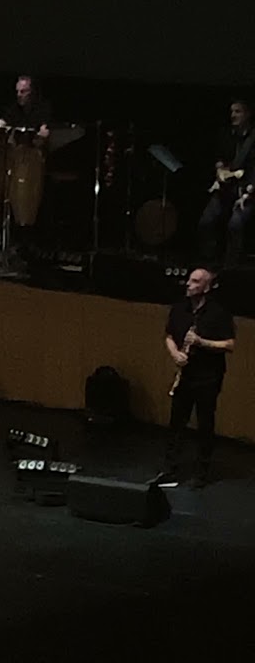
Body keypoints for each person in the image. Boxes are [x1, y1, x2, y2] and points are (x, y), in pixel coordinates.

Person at [155, 268, 236, 489]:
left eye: (195, 281)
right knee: (176, 422)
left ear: (206, 287)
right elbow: (170, 336)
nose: (188, 284)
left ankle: (202, 472)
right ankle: (170, 467)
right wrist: (175, 354)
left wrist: (202, 342)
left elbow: (229, 344)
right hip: (185, 376)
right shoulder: (180, 308)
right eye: (189, 280)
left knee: (204, 423)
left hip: (208, 377)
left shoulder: (218, 313)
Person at [198, 99, 255, 265]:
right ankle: (207, 264)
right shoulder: (226, 135)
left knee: (235, 225)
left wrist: (249, 192)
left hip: (247, 190)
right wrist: (219, 170)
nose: (233, 115)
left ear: (248, 114)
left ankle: (231, 266)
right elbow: (220, 158)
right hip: (225, 188)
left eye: (238, 112)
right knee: (206, 222)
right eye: (232, 112)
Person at [0, 75, 51, 140]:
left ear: (32, 92)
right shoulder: (14, 108)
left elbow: (44, 130)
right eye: (17, 91)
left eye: (23, 91)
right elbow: (0, 123)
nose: (18, 95)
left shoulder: (42, 110)